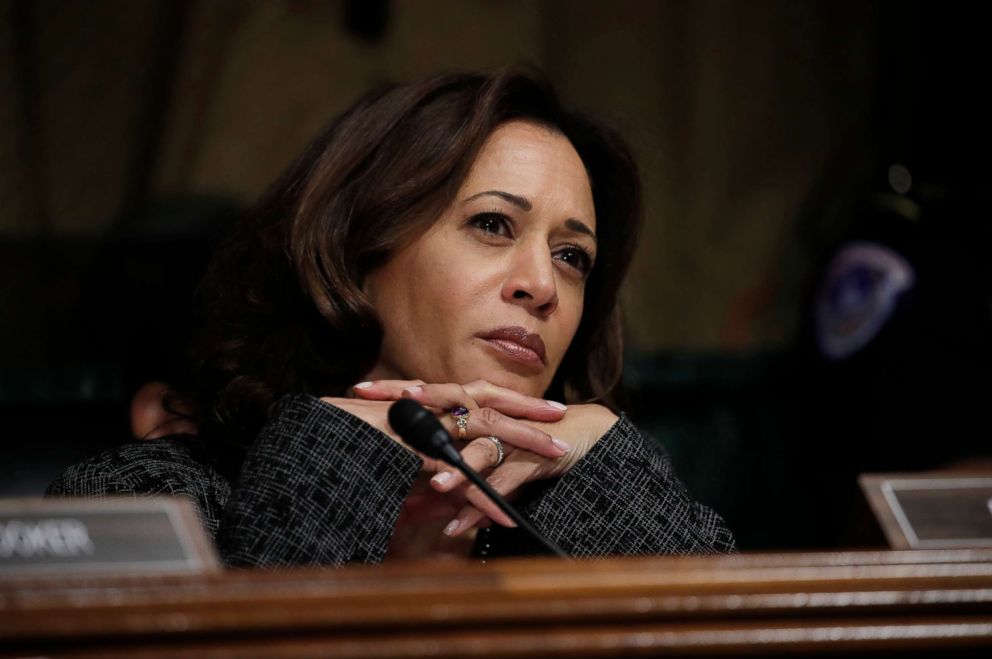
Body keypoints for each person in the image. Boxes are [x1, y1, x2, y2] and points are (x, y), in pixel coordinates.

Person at [48, 67, 735, 566]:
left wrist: (603, 460)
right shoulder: (158, 495)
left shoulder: (593, 496)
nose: (541, 286)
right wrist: (341, 452)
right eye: (493, 223)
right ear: (357, 251)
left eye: (572, 256)